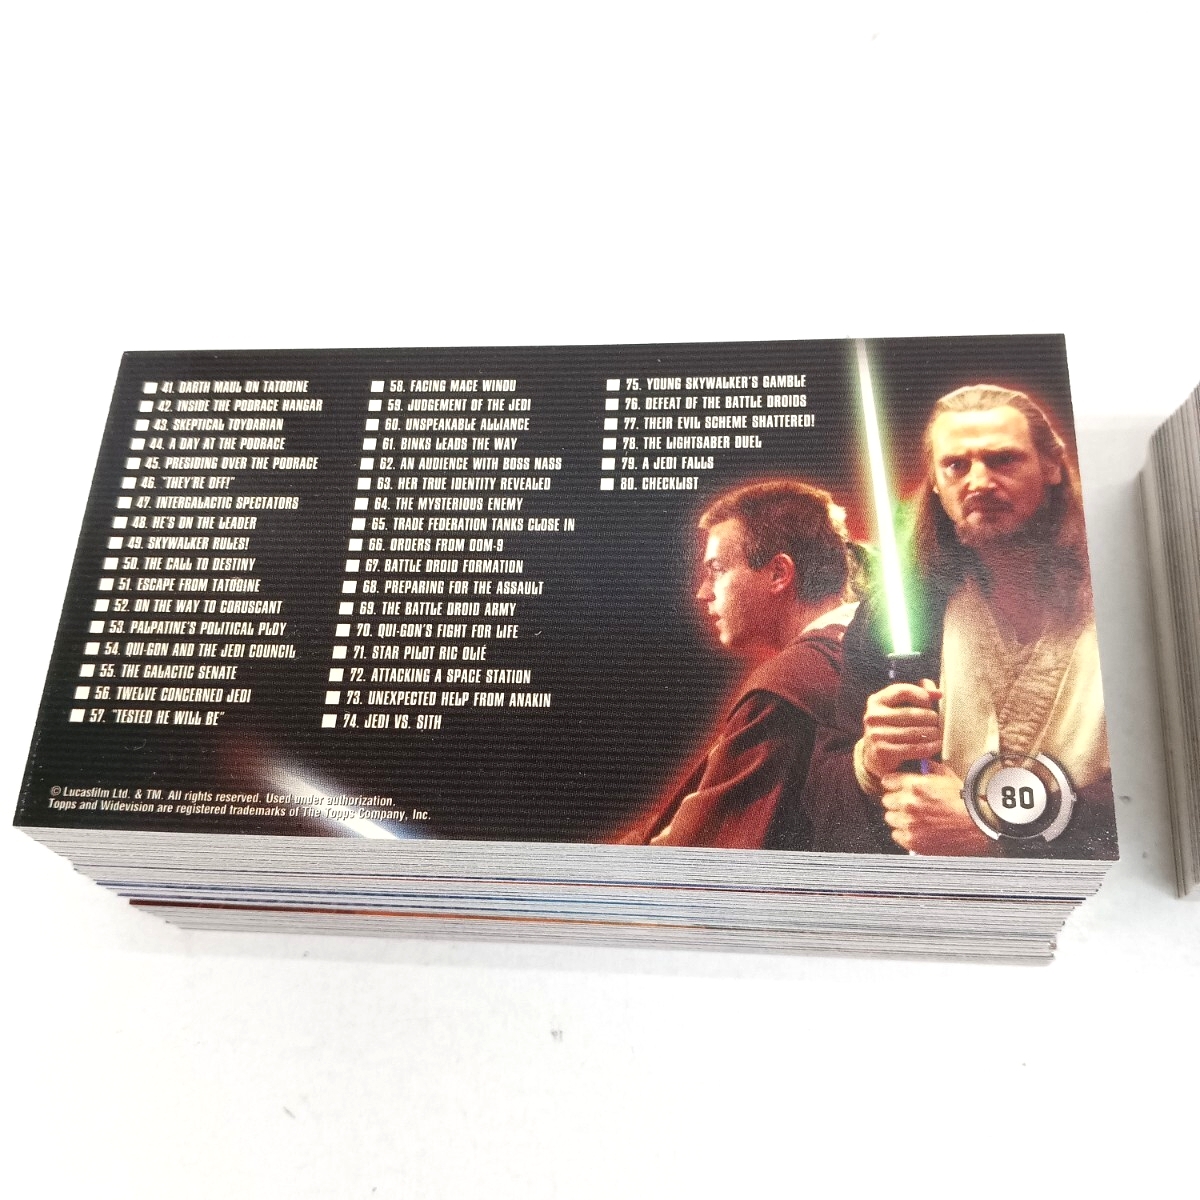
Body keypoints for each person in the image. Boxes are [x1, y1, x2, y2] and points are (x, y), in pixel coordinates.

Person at [802, 384, 1117, 858]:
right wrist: (870, 759)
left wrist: (1004, 831)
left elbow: (1170, 787)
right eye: (956, 465)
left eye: (1003, 460)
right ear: (934, 481)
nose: (979, 481)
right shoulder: (899, 611)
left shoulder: (1132, 595)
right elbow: (822, 788)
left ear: (1052, 466)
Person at [621, 480, 858, 849]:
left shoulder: (785, 686)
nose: (703, 592)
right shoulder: (864, 651)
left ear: (778, 573)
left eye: (717, 569)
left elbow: (693, 854)